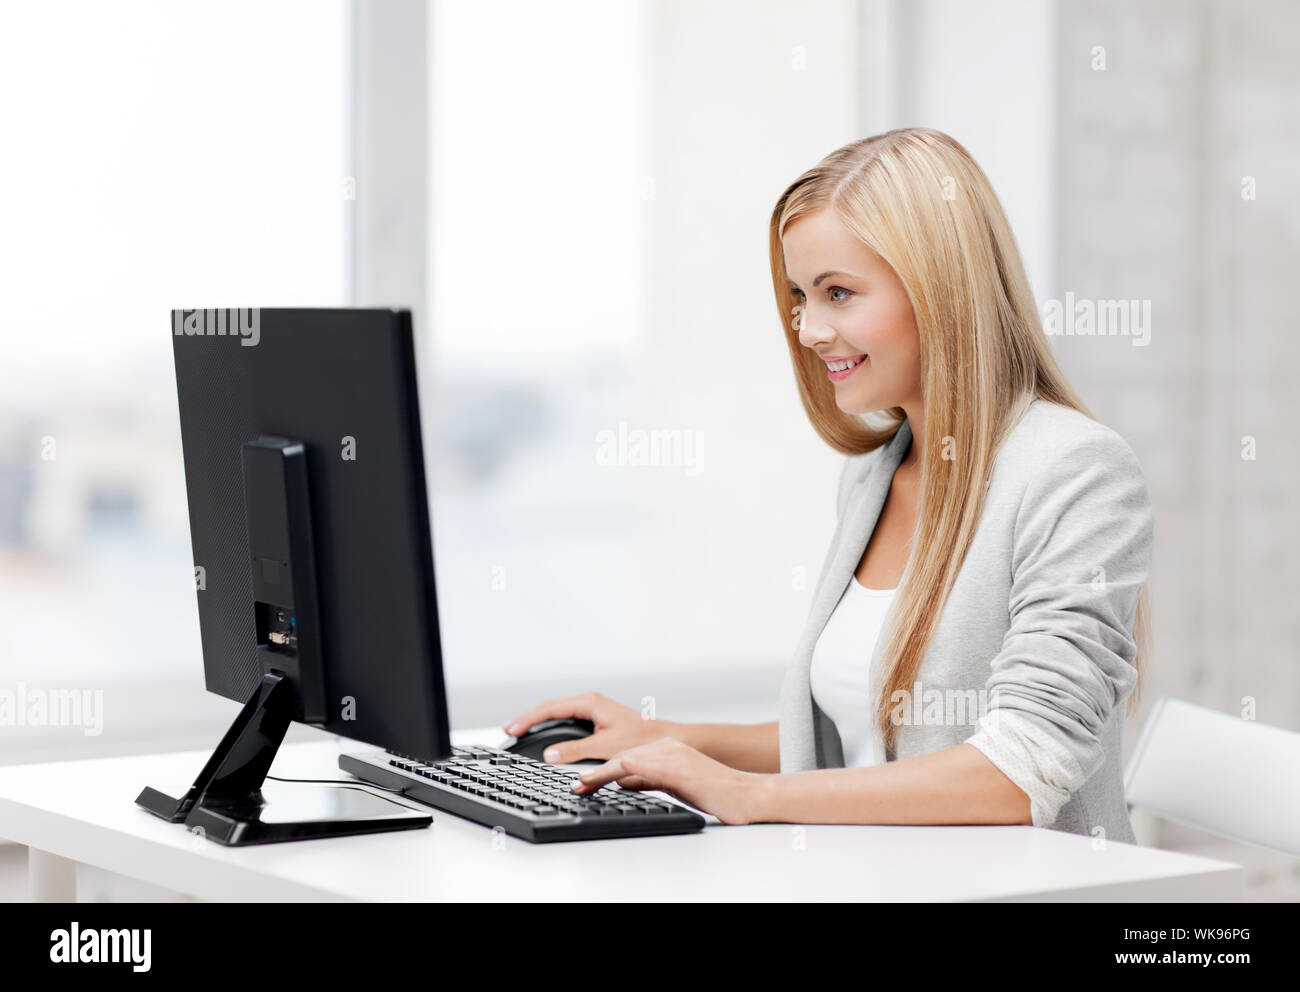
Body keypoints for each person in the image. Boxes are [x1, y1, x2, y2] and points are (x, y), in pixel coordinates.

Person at [503, 128, 1153, 842]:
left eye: (838, 293)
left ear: (942, 288)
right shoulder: (874, 477)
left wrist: (748, 794)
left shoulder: (1075, 471)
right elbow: (860, 743)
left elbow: (1021, 770)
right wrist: (667, 738)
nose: (809, 329)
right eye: (800, 296)